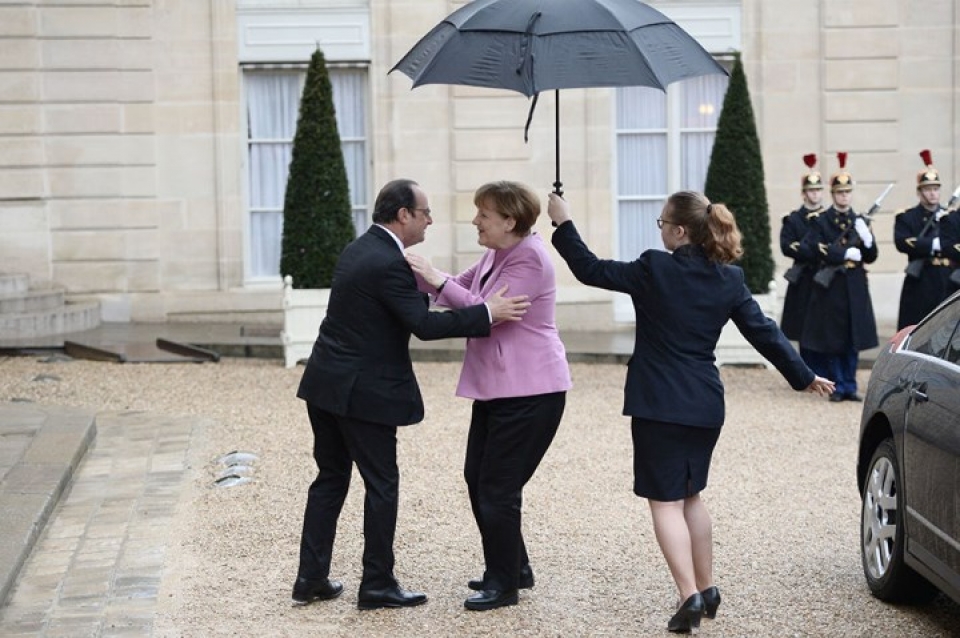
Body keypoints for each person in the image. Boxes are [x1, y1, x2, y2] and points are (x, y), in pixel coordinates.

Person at [546, 190, 834, 634]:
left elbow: (589, 269)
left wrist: (563, 223)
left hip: (659, 403)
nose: (660, 229)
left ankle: (689, 596)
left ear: (680, 231)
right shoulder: (729, 278)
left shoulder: (654, 268)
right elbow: (765, 333)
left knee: (665, 502)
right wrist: (804, 375)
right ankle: (707, 586)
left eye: (662, 222)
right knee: (691, 496)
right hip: (704, 402)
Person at [292, 178, 531, 611]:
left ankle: (311, 577)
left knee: (330, 479)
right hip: (363, 393)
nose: (430, 220)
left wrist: (437, 284)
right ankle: (377, 583)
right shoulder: (389, 261)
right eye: (425, 213)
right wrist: (487, 313)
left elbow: (404, 309)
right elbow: (424, 326)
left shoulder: (359, 248)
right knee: (382, 485)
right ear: (403, 215)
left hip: (324, 382)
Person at [406, 181, 572, 612]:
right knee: (477, 477)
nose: (475, 221)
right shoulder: (497, 254)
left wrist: (435, 278)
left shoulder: (530, 259)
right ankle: (514, 567)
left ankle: (503, 584)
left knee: (497, 487)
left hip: (531, 392)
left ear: (509, 221)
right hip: (499, 390)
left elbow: (483, 312)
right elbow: (460, 291)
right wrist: (407, 268)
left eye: (483, 214)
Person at [800, 152, 879, 402]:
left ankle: (850, 384)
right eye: (840, 193)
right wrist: (844, 253)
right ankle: (837, 386)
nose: (844, 196)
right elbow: (816, 247)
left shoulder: (858, 221)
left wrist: (867, 239)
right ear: (833, 195)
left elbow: (871, 256)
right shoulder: (822, 220)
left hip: (854, 285)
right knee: (833, 339)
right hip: (832, 286)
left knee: (853, 338)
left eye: (847, 192)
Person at [894, 150, 954, 328]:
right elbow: (902, 241)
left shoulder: (950, 217)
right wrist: (932, 244)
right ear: (919, 192)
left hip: (947, 278)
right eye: (928, 189)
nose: (932, 194)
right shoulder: (907, 217)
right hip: (921, 280)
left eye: (935, 189)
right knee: (918, 328)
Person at [779, 153, 827, 375]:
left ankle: (825, 370)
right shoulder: (793, 219)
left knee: (824, 325)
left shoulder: (828, 217)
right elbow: (787, 246)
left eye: (818, 190)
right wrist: (816, 250)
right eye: (811, 190)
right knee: (804, 328)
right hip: (804, 278)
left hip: (825, 278)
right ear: (804, 193)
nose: (815, 194)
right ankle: (808, 371)